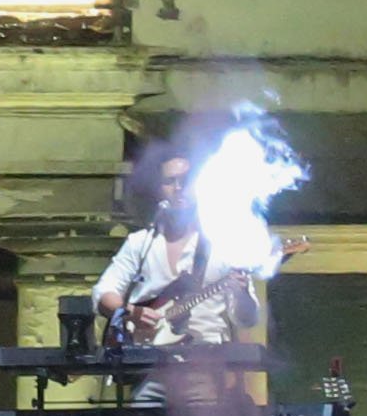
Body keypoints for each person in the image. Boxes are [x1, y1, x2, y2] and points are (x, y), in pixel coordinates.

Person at [87, 141, 263, 351]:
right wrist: (131, 312)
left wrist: (242, 292)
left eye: (185, 180)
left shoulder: (223, 241)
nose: (178, 188)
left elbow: (246, 320)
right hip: (149, 362)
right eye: (169, 181)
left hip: (206, 359)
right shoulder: (141, 242)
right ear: (159, 189)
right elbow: (103, 292)